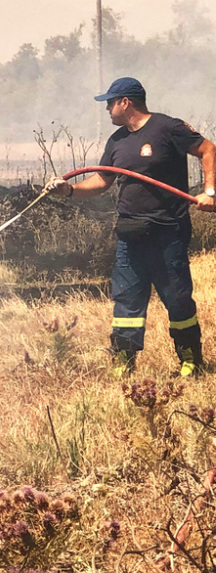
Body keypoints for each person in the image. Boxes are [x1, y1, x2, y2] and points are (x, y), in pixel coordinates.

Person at [48, 77, 216, 377]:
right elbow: (101, 181)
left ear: (126, 102)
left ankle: (190, 361)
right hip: (130, 235)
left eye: (110, 103)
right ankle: (123, 365)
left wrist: (210, 191)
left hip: (169, 232)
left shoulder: (168, 128)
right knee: (127, 301)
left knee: (177, 298)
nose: (108, 110)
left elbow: (208, 150)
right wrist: (69, 191)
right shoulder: (117, 142)